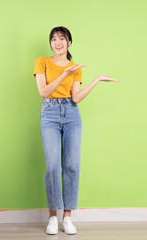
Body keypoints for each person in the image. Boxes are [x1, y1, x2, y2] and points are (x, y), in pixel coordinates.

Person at [33, 26, 120, 235]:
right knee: (53, 165)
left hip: (72, 115)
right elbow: (43, 92)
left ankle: (68, 218)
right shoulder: (42, 62)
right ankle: (53, 217)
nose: (57, 42)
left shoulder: (76, 67)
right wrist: (64, 73)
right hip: (50, 113)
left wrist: (97, 80)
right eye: (54, 39)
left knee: (71, 165)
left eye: (62, 38)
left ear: (69, 42)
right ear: (51, 43)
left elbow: (76, 98)